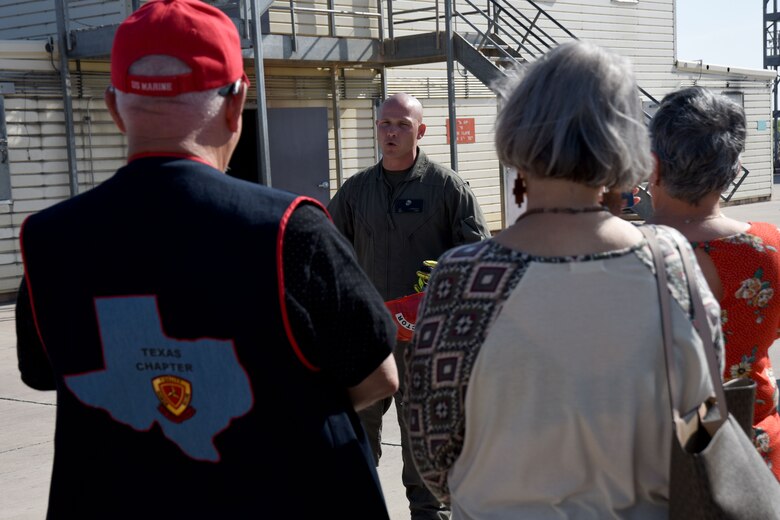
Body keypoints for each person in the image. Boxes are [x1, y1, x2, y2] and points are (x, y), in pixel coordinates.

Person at [14, 0, 398, 517]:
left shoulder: (47, 240)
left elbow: (46, 373)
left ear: (112, 106)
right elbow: (377, 376)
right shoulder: (289, 231)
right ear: (237, 102)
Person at [405, 41, 724, 518]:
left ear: (515, 130)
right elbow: (704, 423)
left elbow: (431, 452)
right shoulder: (668, 261)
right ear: (625, 139)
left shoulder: (463, 279)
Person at [327, 92, 490, 519]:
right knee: (354, 441)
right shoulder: (356, 190)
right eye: (384, 124)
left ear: (421, 130)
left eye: (401, 124)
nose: (391, 132)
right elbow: (327, 252)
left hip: (424, 343)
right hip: (366, 340)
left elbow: (476, 259)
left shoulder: (447, 188)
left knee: (423, 447)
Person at [647, 85, 780, 479]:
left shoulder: (620, 254)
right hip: (750, 452)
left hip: (657, 460)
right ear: (733, 171)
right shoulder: (768, 248)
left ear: (653, 166)